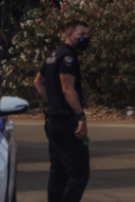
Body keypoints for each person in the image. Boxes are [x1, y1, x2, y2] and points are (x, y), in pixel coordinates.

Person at [35, 20, 92, 202]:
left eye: (87, 35)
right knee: (79, 172)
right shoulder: (67, 57)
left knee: (58, 171)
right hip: (66, 123)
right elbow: (68, 88)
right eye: (81, 35)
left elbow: (38, 83)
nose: (85, 38)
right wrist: (80, 116)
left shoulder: (53, 55)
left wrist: (53, 102)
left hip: (52, 121)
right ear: (69, 35)